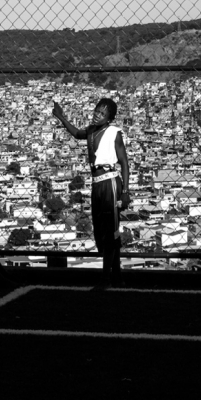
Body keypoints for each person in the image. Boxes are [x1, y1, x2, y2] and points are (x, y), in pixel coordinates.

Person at [53, 98, 131, 289]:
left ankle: (106, 279)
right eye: (97, 111)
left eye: (102, 113)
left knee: (110, 231)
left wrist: (126, 192)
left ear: (110, 118)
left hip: (110, 182)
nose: (98, 115)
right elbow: (76, 133)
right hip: (97, 184)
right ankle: (117, 277)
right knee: (103, 231)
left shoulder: (114, 133)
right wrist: (61, 117)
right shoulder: (90, 131)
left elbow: (124, 162)